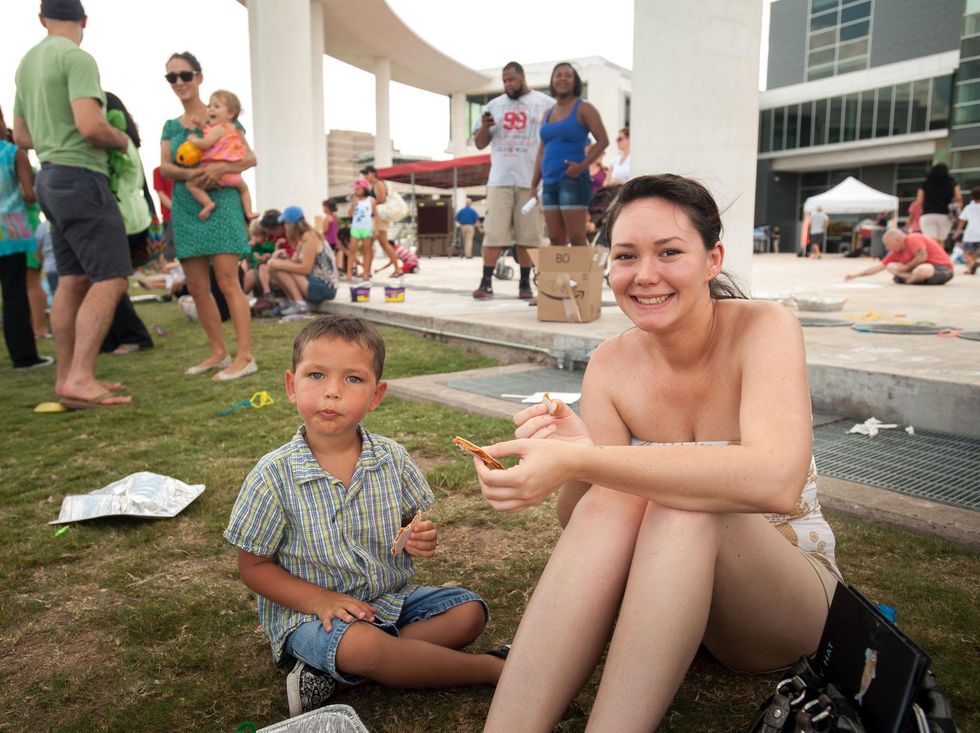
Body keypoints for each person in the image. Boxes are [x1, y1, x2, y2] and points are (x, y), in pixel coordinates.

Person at [473, 175, 840, 731]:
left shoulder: (764, 328)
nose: (645, 275)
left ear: (712, 258)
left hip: (780, 600)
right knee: (618, 496)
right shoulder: (611, 364)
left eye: (670, 252)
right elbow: (583, 519)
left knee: (685, 503)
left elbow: (775, 481)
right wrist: (580, 457)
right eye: (626, 256)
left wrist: (588, 462)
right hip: (663, 599)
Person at [224, 315, 504, 717]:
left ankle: (336, 673)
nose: (332, 392)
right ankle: (488, 669)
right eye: (316, 375)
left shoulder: (391, 457)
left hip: (388, 601)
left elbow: (412, 520)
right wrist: (320, 600)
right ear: (291, 386)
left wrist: (422, 535)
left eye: (353, 380)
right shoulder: (273, 475)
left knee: (469, 612)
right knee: (363, 646)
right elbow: (253, 567)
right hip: (310, 617)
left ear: (376, 395)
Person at [14, 0, 134, 407]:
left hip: (49, 176)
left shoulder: (27, 64)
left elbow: (21, 136)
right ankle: (82, 375)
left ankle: (67, 377)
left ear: (41, 18)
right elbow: (90, 125)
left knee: (72, 278)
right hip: (81, 175)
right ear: (84, 20)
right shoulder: (76, 58)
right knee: (112, 276)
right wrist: (121, 139)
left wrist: (52, 133)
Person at [161, 51, 256, 381]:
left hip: (224, 201)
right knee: (198, 288)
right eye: (171, 77)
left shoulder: (224, 115)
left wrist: (219, 168)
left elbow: (249, 157)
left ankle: (245, 356)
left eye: (185, 75)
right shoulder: (171, 126)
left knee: (229, 281)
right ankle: (218, 351)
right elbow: (166, 167)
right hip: (188, 205)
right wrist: (190, 176)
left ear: (199, 77)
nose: (179, 82)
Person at [472, 61, 554, 300]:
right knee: (494, 234)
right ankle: (486, 282)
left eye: (512, 80)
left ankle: (525, 284)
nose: (508, 84)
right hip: (499, 180)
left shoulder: (544, 103)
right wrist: (485, 128)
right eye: (505, 80)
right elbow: (479, 142)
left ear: (522, 77)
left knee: (529, 236)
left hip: (531, 181)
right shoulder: (494, 105)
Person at [531, 62, 609, 247]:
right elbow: (542, 150)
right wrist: (534, 185)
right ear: (552, 80)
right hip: (549, 182)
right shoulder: (547, 114)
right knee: (555, 239)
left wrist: (581, 167)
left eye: (568, 75)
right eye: (558, 75)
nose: (563, 78)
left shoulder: (584, 108)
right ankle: (561, 277)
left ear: (575, 82)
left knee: (576, 237)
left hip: (572, 180)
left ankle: (584, 277)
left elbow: (603, 141)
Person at [100, 92, 154, 356]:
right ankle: (110, 337)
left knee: (111, 280)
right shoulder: (128, 143)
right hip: (130, 216)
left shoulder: (120, 144)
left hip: (127, 219)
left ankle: (134, 335)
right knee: (106, 279)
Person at [0, 106, 52, 370]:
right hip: (11, 235)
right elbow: (30, 195)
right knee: (14, 295)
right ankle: (23, 356)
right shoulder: (12, 153)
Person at [183, 90, 257, 222]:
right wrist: (201, 125)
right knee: (244, 189)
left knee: (191, 185)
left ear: (230, 113)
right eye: (209, 106)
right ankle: (249, 211)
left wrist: (193, 139)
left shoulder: (218, 129)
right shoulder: (232, 129)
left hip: (217, 174)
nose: (211, 109)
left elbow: (206, 143)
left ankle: (208, 204)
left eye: (216, 106)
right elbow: (209, 131)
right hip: (234, 175)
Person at [267, 206, 338, 315]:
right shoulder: (302, 239)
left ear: (291, 224)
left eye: (285, 223)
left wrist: (277, 264)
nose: (284, 227)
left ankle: (300, 304)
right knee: (275, 266)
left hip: (326, 288)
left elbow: (305, 268)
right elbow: (294, 264)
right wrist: (282, 258)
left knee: (275, 265)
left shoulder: (309, 235)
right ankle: (293, 302)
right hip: (313, 283)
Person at [845, 228, 954, 285]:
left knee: (921, 270)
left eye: (888, 244)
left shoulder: (912, 238)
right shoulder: (896, 251)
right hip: (917, 273)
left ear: (897, 240)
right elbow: (880, 267)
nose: (887, 248)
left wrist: (906, 268)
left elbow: (922, 256)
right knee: (890, 266)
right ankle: (912, 279)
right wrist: (856, 275)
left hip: (941, 270)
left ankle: (910, 279)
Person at [359, 165, 401, 273]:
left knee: (380, 244)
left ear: (373, 173)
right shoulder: (374, 185)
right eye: (364, 174)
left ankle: (397, 269)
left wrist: (368, 204)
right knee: (372, 245)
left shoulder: (378, 184)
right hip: (377, 217)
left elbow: (382, 199)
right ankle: (367, 271)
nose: (365, 176)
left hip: (379, 218)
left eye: (366, 174)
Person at [915, 163, 961, 243]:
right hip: (945, 216)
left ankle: (933, 255)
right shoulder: (952, 182)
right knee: (941, 241)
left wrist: (925, 207)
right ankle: (940, 255)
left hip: (928, 215)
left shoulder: (925, 183)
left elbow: (919, 201)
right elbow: (958, 198)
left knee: (931, 242)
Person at [347, 179, 376, 281]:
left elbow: (375, 215)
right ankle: (349, 272)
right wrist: (353, 205)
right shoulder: (354, 199)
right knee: (352, 250)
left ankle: (366, 272)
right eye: (355, 188)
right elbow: (350, 214)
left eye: (358, 188)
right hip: (355, 228)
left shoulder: (371, 200)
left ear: (364, 188)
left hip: (367, 228)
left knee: (366, 251)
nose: (356, 190)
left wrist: (375, 229)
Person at [953, 185, 980, 275]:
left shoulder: (969, 207)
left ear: (972, 196)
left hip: (970, 234)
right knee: (975, 253)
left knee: (966, 253)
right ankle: (972, 268)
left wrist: (957, 232)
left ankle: (971, 265)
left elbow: (962, 221)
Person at [152, 165, 175, 261]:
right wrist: (178, 209)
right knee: (170, 252)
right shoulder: (158, 171)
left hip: (188, 217)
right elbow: (161, 194)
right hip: (170, 217)